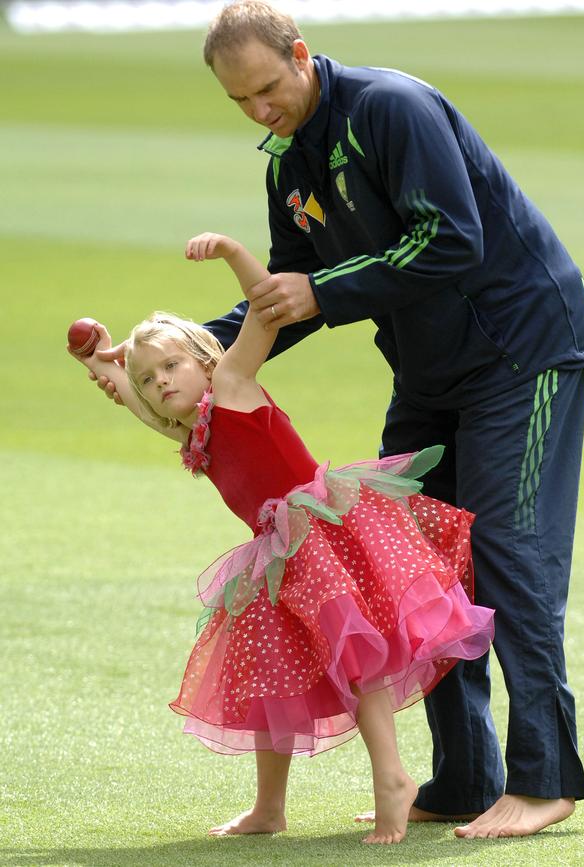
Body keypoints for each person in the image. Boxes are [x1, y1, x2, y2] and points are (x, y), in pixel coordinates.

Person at [94, 0, 584, 839]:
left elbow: (452, 239)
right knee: (418, 568)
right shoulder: (287, 165)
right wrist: (171, 360)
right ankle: (468, 776)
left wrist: (325, 290)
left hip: (524, 350)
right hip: (432, 373)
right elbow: (280, 297)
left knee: (508, 551)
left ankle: (545, 778)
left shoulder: (389, 108)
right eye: (239, 104)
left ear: (300, 54)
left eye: (266, 89)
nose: (259, 112)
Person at [73, 231, 495, 845]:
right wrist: (103, 367)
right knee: (270, 672)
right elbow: (142, 408)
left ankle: (392, 781)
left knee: (361, 658)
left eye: (172, 365)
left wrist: (231, 252)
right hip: (277, 558)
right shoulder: (196, 431)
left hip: (324, 533)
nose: (162, 382)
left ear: (204, 359)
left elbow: (266, 309)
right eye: (149, 378)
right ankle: (268, 808)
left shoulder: (236, 385)